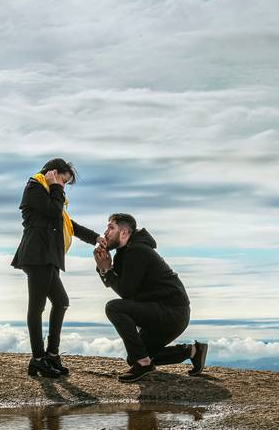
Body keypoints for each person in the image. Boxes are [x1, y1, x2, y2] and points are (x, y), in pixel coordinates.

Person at [12, 158, 103, 378]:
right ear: (53, 173)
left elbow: (67, 223)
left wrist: (96, 238)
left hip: (49, 258)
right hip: (37, 256)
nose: (64, 186)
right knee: (37, 308)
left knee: (61, 302)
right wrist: (55, 187)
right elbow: (53, 211)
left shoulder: (50, 192)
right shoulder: (35, 187)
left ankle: (51, 354)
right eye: (64, 179)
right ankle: (38, 359)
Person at [93, 213, 208, 383]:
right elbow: (121, 287)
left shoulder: (138, 250)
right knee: (135, 356)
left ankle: (144, 364)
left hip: (172, 312)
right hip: (162, 313)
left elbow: (126, 292)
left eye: (111, 228)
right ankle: (192, 351)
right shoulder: (123, 253)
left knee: (114, 307)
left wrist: (107, 271)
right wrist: (104, 269)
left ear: (124, 233)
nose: (106, 232)